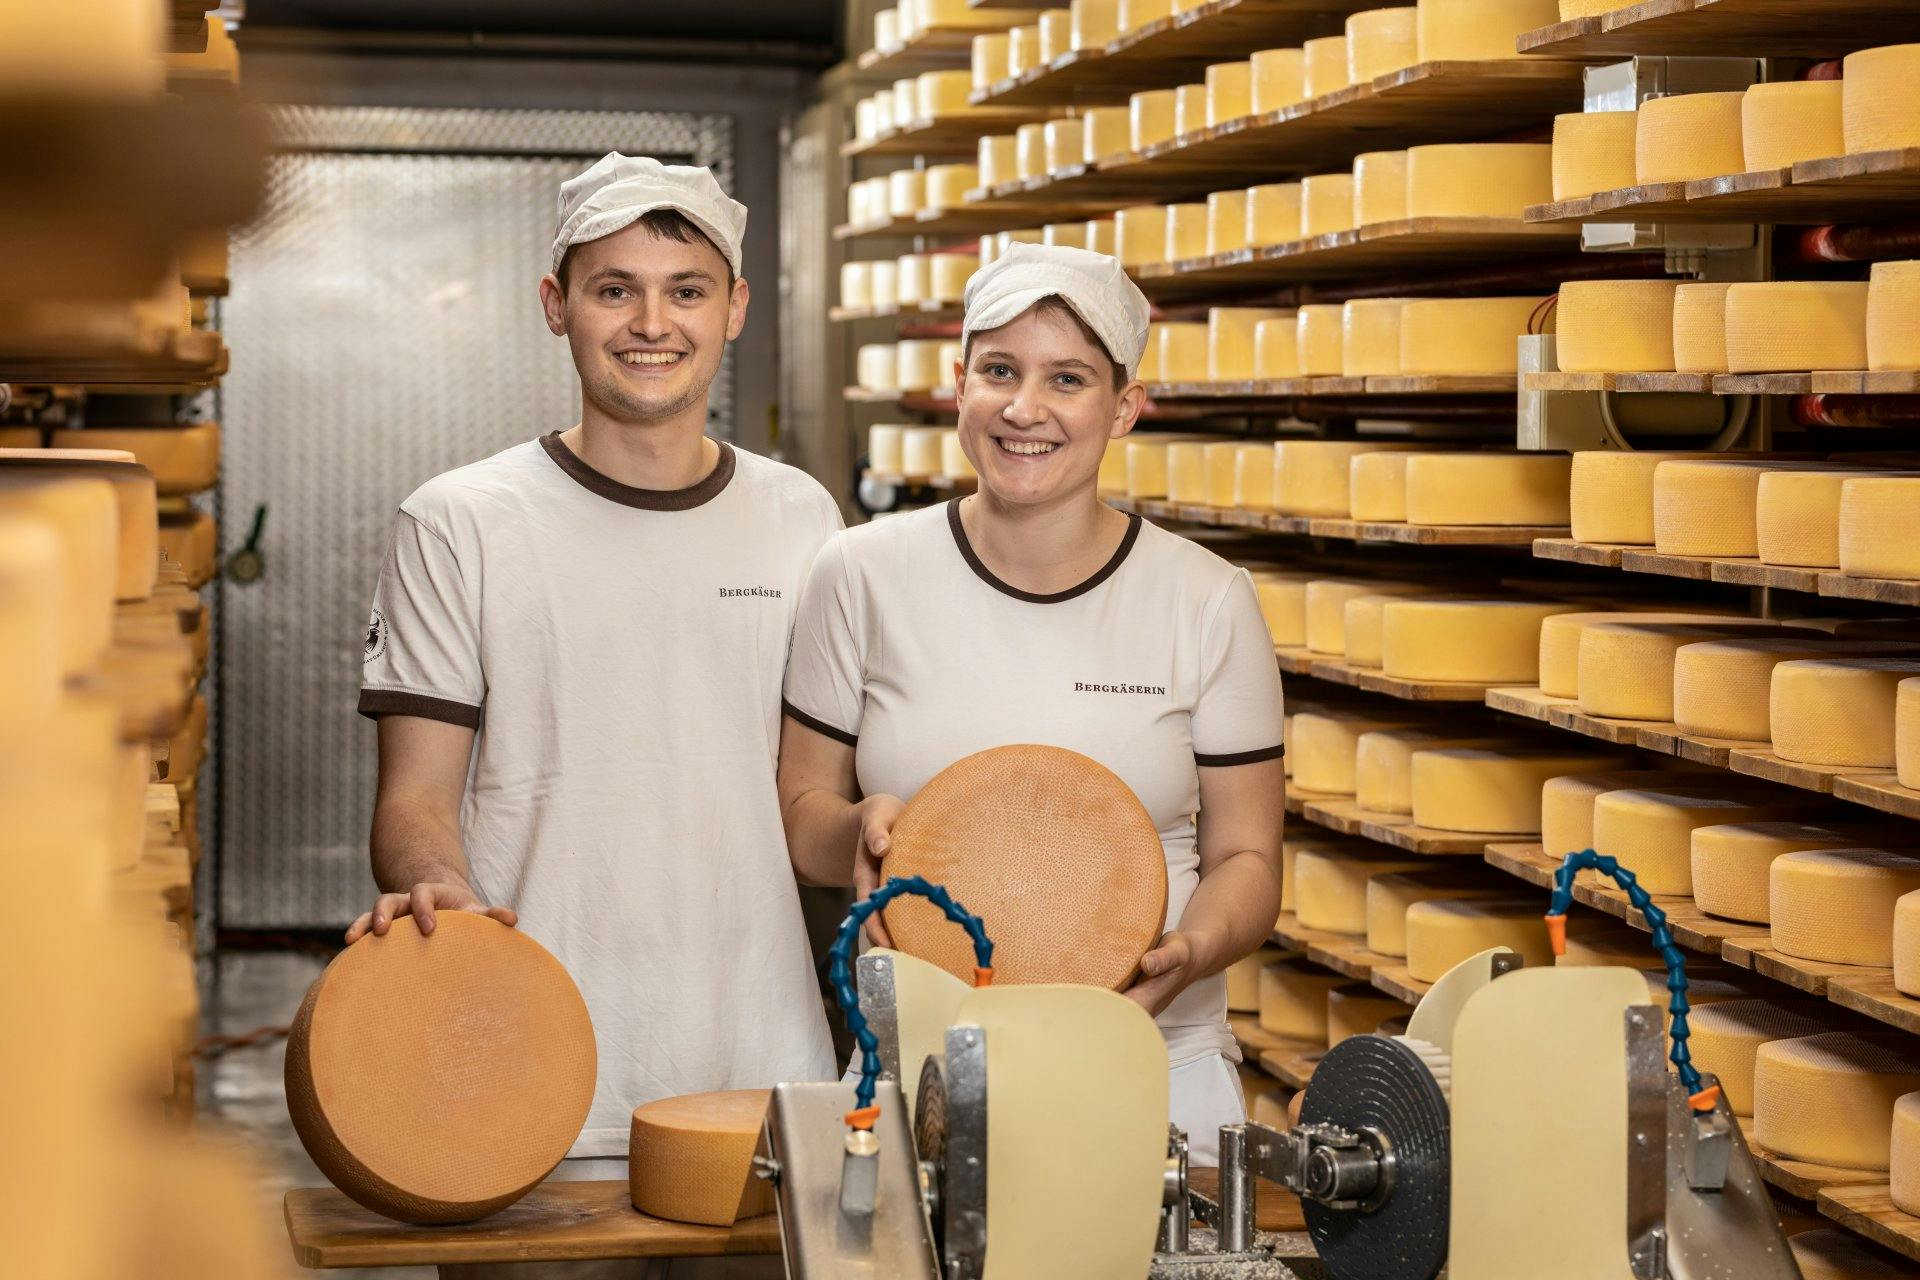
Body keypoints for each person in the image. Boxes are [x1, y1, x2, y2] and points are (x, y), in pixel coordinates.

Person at [351, 154, 836, 1277]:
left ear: (736, 310)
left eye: (687, 287)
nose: (652, 321)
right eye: (615, 288)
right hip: (534, 1086)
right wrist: (445, 906)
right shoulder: (460, 520)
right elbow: (415, 802)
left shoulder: (802, 516)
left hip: (762, 1079)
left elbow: (809, 790)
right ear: (556, 304)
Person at [776, 241, 1287, 1165]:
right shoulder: (860, 573)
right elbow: (803, 815)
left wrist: (1196, 946)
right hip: (924, 1066)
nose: (1026, 409)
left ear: (1125, 406)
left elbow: (1248, 855)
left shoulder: (1206, 599)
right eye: (1001, 371)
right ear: (958, 381)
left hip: (1150, 1058)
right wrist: (854, 830)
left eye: (1069, 379)